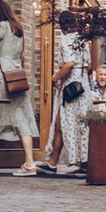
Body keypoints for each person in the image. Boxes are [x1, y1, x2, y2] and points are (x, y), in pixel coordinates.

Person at [0, 0, 38, 178]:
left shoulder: (3, 26)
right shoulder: (18, 27)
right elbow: (21, 54)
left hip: (4, 76)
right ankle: (30, 163)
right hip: (17, 76)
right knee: (21, 118)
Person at [39, 10, 91, 176]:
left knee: (61, 124)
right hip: (84, 88)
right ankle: (77, 161)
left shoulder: (66, 40)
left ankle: (55, 162)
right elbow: (89, 66)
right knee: (79, 124)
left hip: (70, 88)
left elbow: (69, 64)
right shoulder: (83, 41)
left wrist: (54, 78)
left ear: (62, 25)